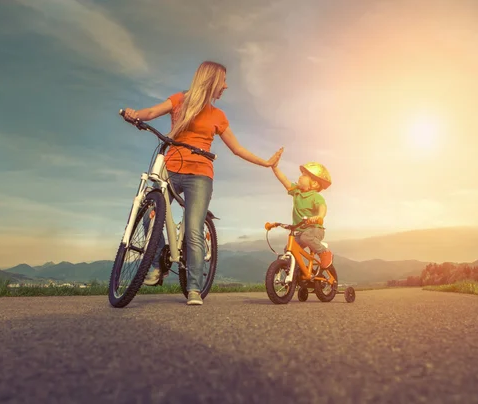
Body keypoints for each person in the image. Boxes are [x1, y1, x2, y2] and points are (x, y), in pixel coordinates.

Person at [123, 60, 284, 305]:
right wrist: (135, 114)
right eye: (224, 81)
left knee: (194, 229)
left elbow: (237, 149)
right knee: (149, 209)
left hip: (200, 175)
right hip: (172, 167)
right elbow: (153, 113)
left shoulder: (218, 115)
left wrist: (266, 162)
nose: (226, 87)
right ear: (211, 81)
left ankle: (194, 289)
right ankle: (156, 263)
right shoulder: (180, 100)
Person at [270, 160, 334, 269]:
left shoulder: (315, 196)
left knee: (306, 237)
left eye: (304, 175)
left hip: (315, 230)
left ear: (314, 183)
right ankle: (297, 273)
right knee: (288, 249)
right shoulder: (297, 192)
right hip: (300, 232)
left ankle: (324, 252)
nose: (300, 177)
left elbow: (322, 207)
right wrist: (275, 168)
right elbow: (285, 181)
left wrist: (319, 217)